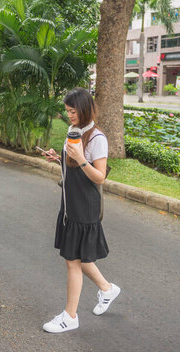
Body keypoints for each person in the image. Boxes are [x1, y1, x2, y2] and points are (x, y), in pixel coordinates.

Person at [41, 87, 120, 333]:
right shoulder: (74, 132)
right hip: (69, 204)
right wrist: (59, 157)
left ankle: (70, 316)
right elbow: (74, 166)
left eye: (72, 111)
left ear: (84, 109)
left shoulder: (97, 138)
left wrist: (81, 158)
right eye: (67, 111)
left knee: (72, 261)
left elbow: (99, 177)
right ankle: (107, 289)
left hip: (84, 207)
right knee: (77, 256)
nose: (69, 115)